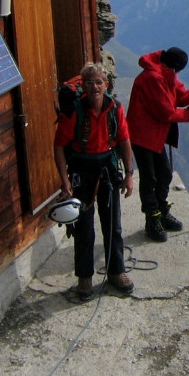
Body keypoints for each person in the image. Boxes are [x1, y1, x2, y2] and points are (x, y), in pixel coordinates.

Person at [53, 62, 136, 300]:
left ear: (106, 85)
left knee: (113, 224)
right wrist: (64, 180)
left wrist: (129, 174)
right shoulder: (74, 111)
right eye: (89, 82)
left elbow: (124, 140)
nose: (94, 87)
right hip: (82, 169)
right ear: (83, 86)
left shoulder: (115, 108)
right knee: (84, 227)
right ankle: (85, 278)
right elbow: (59, 146)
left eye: (98, 82)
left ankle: (116, 271)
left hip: (107, 169)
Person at [127, 47, 189, 242]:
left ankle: (160, 211)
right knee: (150, 178)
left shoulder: (164, 73)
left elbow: (180, 93)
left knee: (165, 173)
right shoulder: (153, 78)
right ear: (175, 67)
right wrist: (188, 114)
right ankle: (153, 219)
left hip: (154, 135)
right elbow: (165, 112)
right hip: (142, 136)